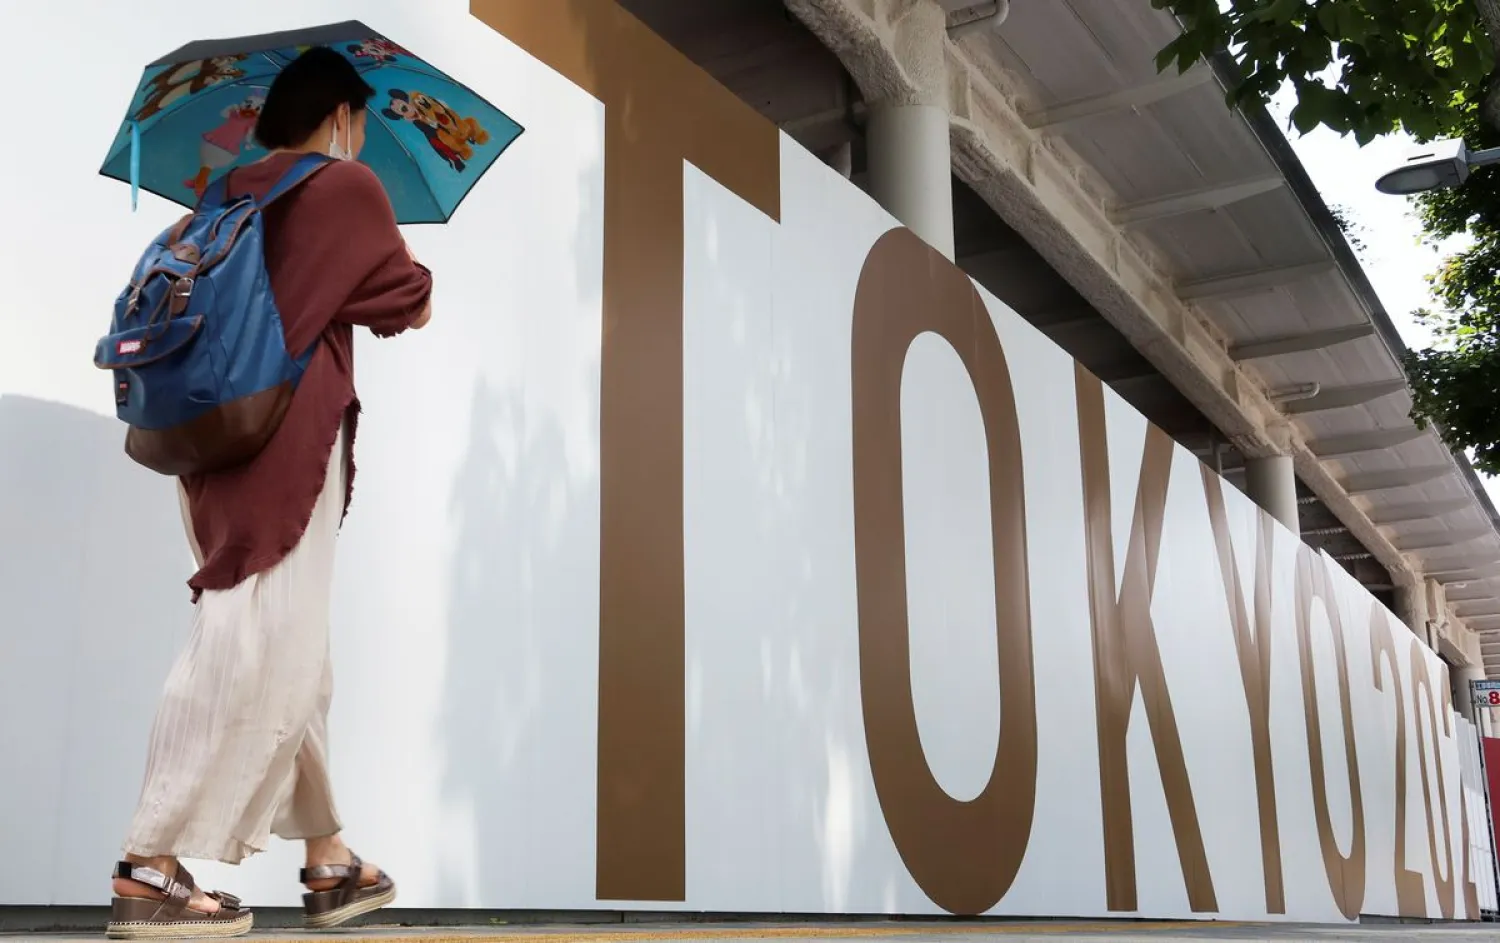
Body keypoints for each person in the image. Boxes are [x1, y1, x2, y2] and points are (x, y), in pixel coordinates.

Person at [106, 47, 433, 940]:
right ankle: (149, 865)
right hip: (284, 446)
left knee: (290, 648)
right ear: (340, 116)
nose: (363, 143)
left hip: (212, 446)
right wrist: (400, 254)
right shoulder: (344, 187)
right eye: (362, 125)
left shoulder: (227, 193)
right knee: (250, 644)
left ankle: (328, 857)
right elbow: (409, 301)